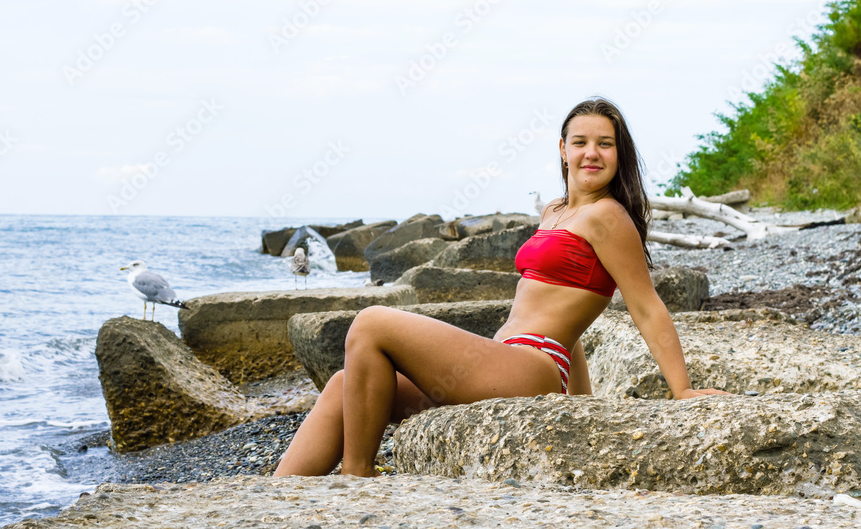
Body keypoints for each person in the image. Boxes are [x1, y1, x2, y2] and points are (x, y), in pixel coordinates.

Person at [273, 97, 727, 478]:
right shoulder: (554, 211)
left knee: (371, 322)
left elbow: (645, 306)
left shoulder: (608, 217)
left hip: (530, 367)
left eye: (605, 144)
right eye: (581, 142)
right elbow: (568, 312)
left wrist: (682, 390)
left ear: (618, 154)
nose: (592, 153)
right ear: (563, 150)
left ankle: (357, 483)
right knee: (341, 383)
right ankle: (274, 501)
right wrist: (584, 406)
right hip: (507, 361)